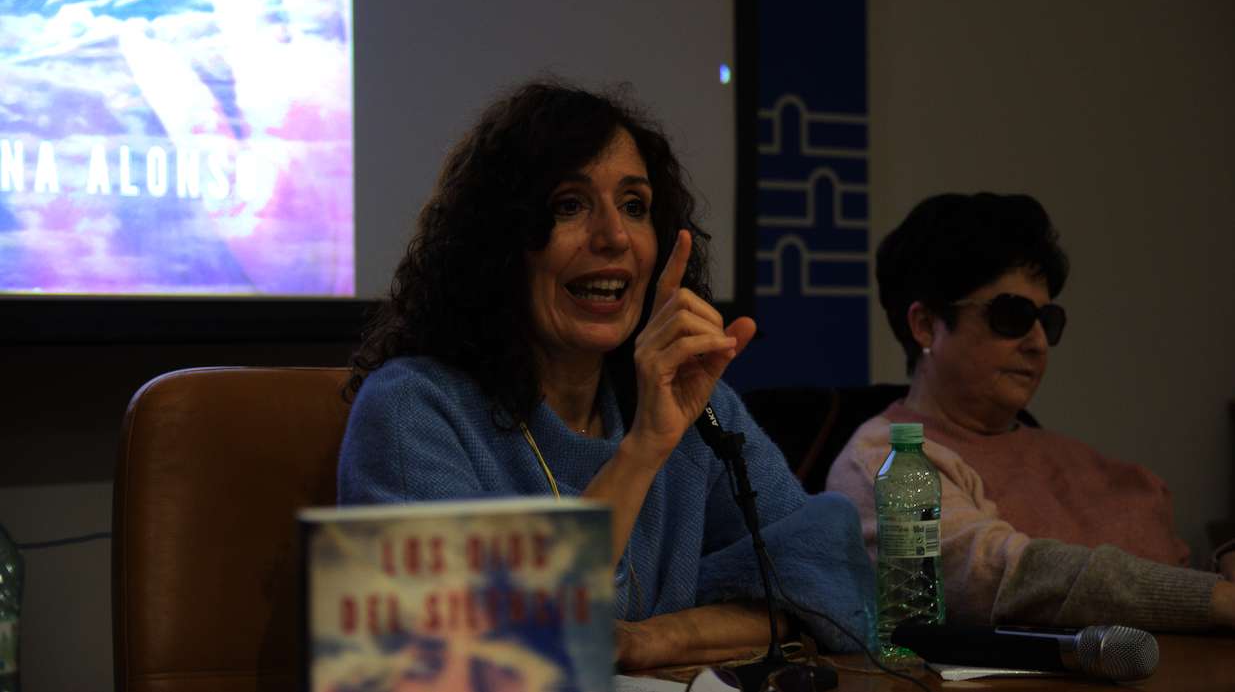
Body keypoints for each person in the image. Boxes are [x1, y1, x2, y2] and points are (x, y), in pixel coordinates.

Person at [339, 79, 875, 670]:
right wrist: (643, 450)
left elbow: (828, 583)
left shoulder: (689, 402)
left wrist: (649, 641)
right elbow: (462, 649)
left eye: (635, 207)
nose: (615, 237)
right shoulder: (413, 410)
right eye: (569, 205)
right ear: (498, 243)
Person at [826, 192, 1235, 632]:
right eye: (1012, 316)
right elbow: (1001, 576)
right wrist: (1211, 596)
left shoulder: (1100, 469)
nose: (1038, 342)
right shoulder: (885, 462)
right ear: (926, 325)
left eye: (1047, 320)